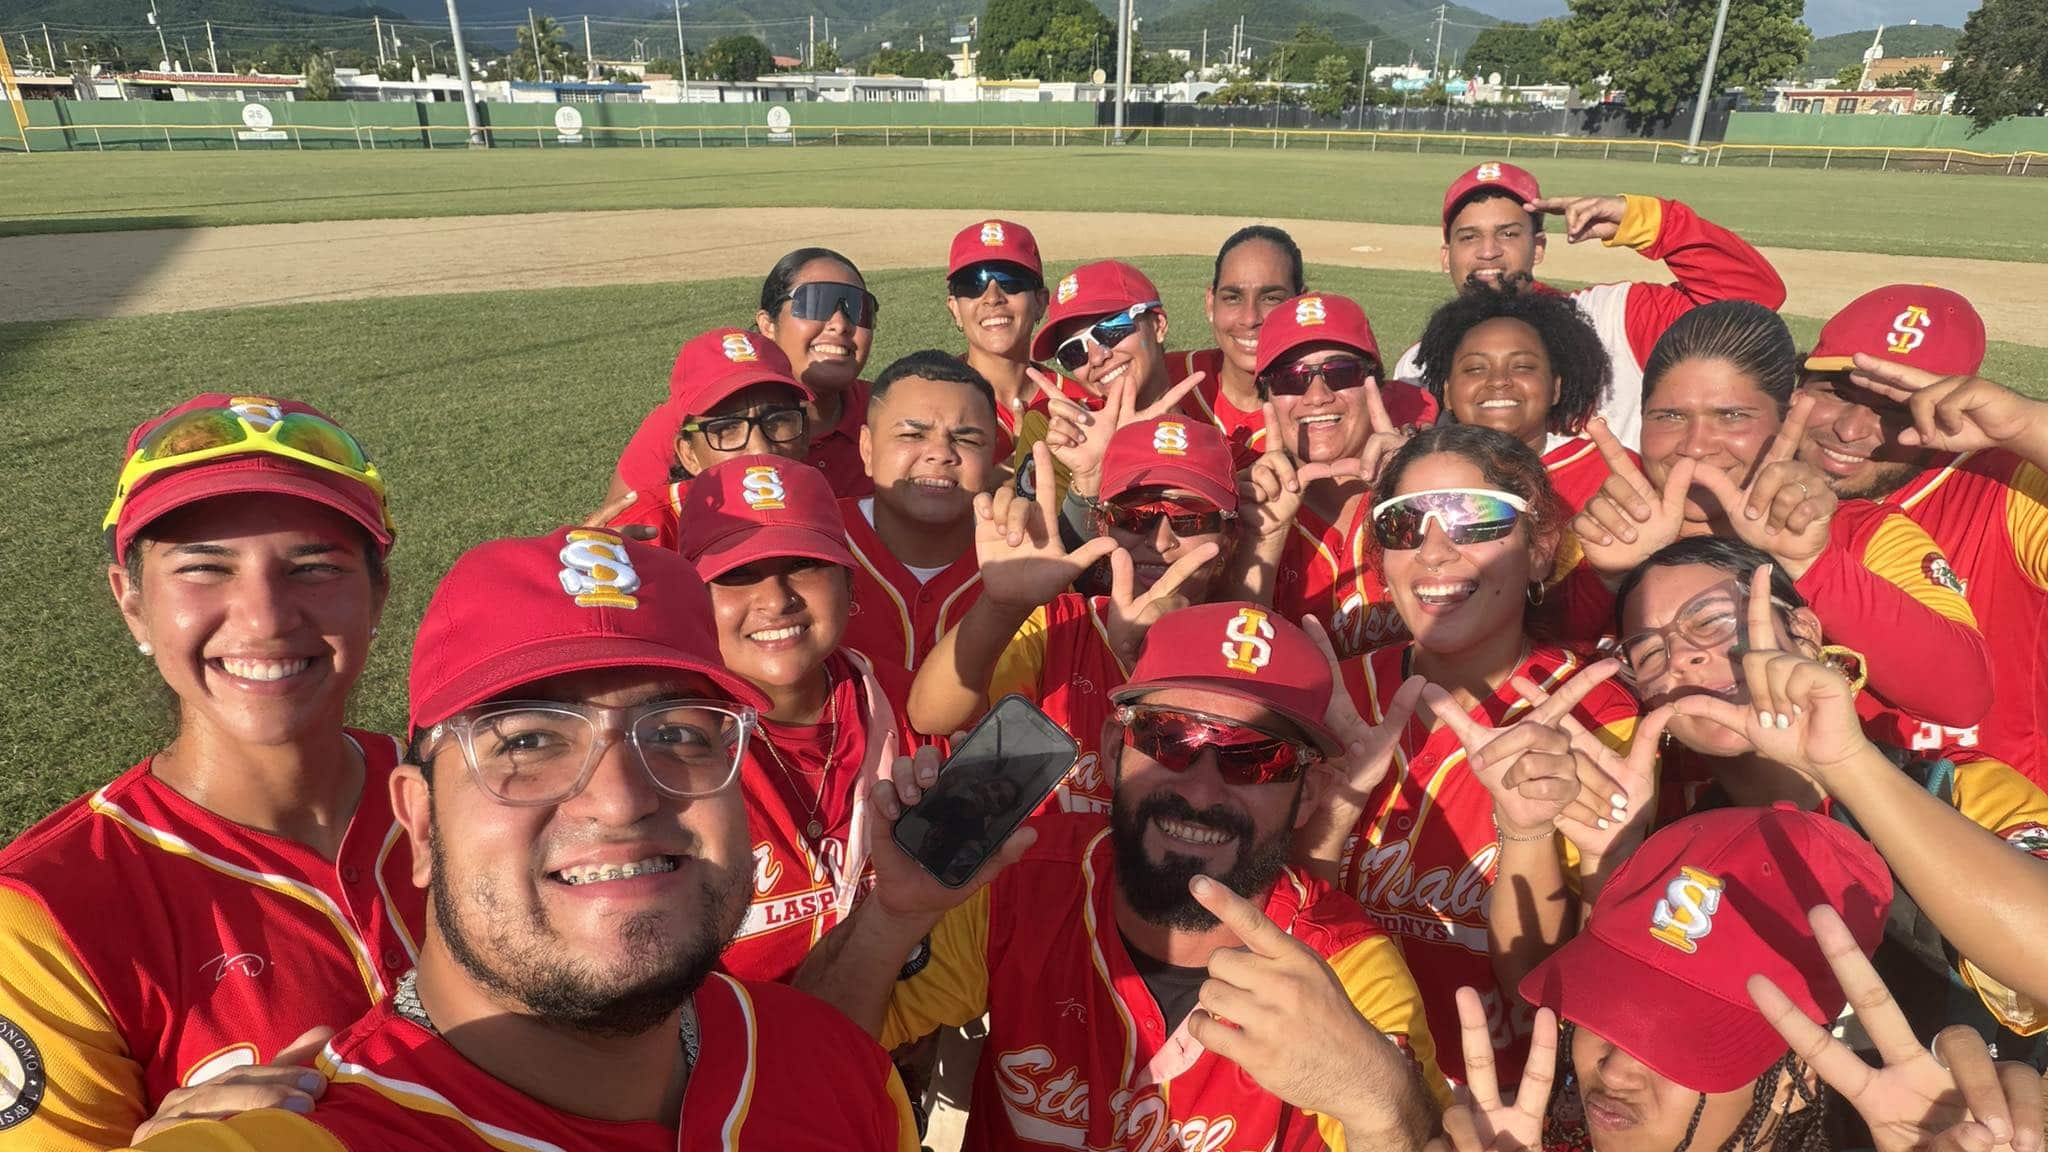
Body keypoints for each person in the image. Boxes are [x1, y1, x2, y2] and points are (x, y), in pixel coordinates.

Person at [123, 526, 918, 1150]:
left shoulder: (836, 1068)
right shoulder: (313, 1138)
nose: (619, 800)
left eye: (678, 732)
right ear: (422, 823)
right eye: (529, 741)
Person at [796, 601, 1448, 1151]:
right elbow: (809, 1053)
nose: (1199, 789)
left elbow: (1402, 1125)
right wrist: (893, 918)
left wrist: (1377, 1102)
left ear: (1307, 797)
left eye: (1255, 758)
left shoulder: (1346, 967)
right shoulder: (1020, 884)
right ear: (1112, 750)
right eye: (1169, 737)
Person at [0, 393, 414, 1149]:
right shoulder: (39, 915)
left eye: (313, 567)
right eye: (204, 568)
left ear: (377, 592)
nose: (263, 617)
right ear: (130, 601)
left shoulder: (474, 797)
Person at [1610, 541, 2048, 1059]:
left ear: (1805, 632)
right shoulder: (1672, 851)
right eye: (1651, 653)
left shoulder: (1957, 789)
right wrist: (1608, 859)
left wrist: (1843, 762)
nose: (1683, 656)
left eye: (1711, 621)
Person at [1309, 424, 1641, 1089]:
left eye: (1475, 521)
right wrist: (1331, 821)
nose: (1434, 551)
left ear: (1542, 548)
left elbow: (1540, 986)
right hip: (1332, 1079)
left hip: (1497, 1103)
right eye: (1403, 525)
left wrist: (1526, 829)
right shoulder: (1336, 696)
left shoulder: (1596, 715)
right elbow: (1283, 923)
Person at [1571, 300, 1993, 735]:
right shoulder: (1601, 534)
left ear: (1787, 415)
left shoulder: (1860, 533)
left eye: (1732, 416)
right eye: (1670, 416)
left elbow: (1963, 699)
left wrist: (1815, 565)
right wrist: (1605, 584)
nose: (1696, 446)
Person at [1790, 284, 2048, 784]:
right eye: (1838, 393)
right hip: (1803, 807)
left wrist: (2026, 423)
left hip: (1990, 807)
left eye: (1898, 409)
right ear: (1796, 385)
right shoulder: (1742, 473)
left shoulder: (2005, 487)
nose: (1851, 430)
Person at [908, 422, 1236, 814]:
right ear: (1102, 523)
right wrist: (1003, 605)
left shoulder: (1251, 652)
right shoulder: (1059, 624)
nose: (1159, 541)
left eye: (1190, 517)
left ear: (1229, 537)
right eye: (1135, 515)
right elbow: (932, 716)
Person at [675, 457, 917, 983]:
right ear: (691, 598)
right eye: (736, 575)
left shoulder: (904, 705)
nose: (776, 600)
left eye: (804, 565)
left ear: (850, 585)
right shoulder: (660, 754)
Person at [1392, 161, 1787, 450]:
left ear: (1539, 246)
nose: (1489, 252)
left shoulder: (1614, 315)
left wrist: (1649, 223)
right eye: (1469, 238)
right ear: (1447, 256)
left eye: (1509, 234)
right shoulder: (1418, 362)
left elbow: (1753, 298)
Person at [1230, 292, 1429, 659]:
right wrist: (1264, 538)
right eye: (1291, 379)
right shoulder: (1241, 500)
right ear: (1268, 398)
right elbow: (1234, 662)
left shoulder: (1435, 480)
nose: (1318, 395)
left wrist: (1417, 496)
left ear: (1377, 387)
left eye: (1341, 373)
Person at [609, 247, 877, 507]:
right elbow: (620, 529)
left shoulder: (888, 412)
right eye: (814, 303)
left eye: (859, 308)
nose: (840, 323)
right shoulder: (693, 417)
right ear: (767, 324)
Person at [839, 351, 996, 674]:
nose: (940, 454)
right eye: (912, 435)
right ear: (867, 448)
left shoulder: (1023, 556)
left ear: (993, 454)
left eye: (966, 439)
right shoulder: (817, 542)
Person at [602, 327, 815, 548]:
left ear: (805, 432)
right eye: (726, 428)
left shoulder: (830, 511)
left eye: (778, 419)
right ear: (688, 454)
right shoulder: (649, 534)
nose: (760, 448)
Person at [1411, 286, 1619, 513]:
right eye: (1475, 368)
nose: (1499, 381)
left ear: (1556, 388)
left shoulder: (1610, 472)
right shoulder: (1415, 477)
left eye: (1523, 366)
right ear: (1447, 393)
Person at [944, 218, 1053, 464]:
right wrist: (1015, 471)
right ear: (955, 309)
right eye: (973, 284)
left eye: (1011, 281)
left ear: (1040, 302)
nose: (992, 298)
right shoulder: (928, 399)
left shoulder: (1079, 403)